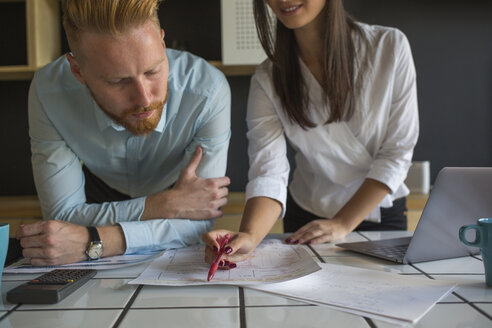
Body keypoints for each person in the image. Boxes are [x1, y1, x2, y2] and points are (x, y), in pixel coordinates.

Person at [16, 0, 231, 266]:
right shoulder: (49, 92)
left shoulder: (207, 91)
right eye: (117, 81)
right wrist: (159, 206)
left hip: (165, 198)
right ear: (78, 71)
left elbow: (198, 222)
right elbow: (63, 217)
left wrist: (92, 241)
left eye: (153, 71)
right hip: (106, 191)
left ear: (163, 44)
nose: (144, 99)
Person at [203, 0, 418, 265]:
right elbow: (268, 171)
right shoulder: (268, 78)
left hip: (378, 213)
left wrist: (341, 223)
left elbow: (396, 153)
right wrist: (248, 235)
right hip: (306, 220)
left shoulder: (389, 47)